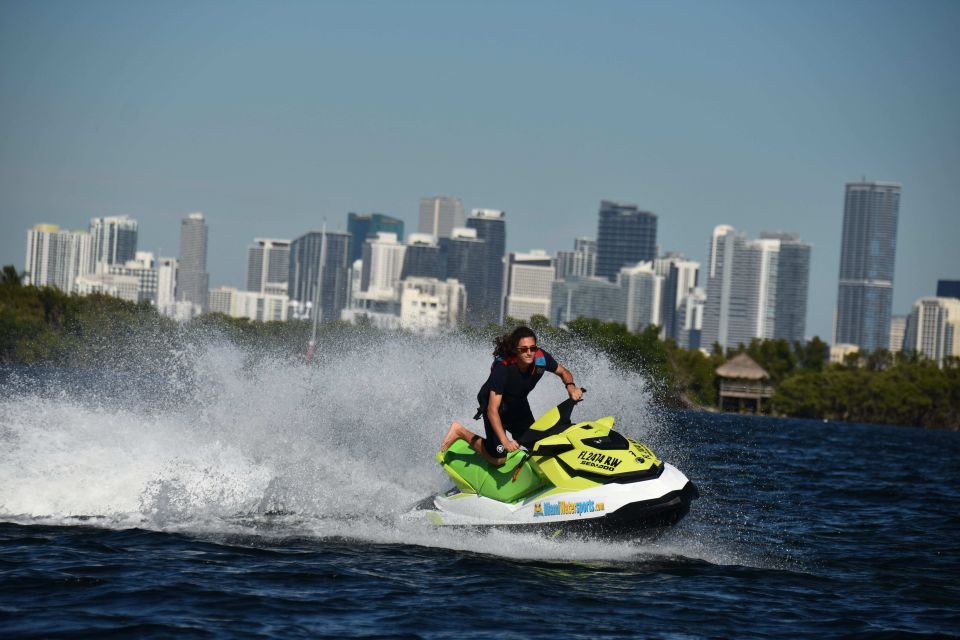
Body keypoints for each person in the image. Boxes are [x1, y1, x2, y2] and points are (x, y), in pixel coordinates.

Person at [440, 326, 582, 466]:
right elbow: (492, 410)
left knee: (537, 445)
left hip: (518, 403)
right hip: (494, 405)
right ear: (515, 349)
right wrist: (505, 441)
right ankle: (460, 431)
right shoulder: (503, 367)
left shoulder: (541, 358)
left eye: (532, 348)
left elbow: (564, 372)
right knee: (499, 459)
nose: (529, 353)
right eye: (524, 349)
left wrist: (571, 387)